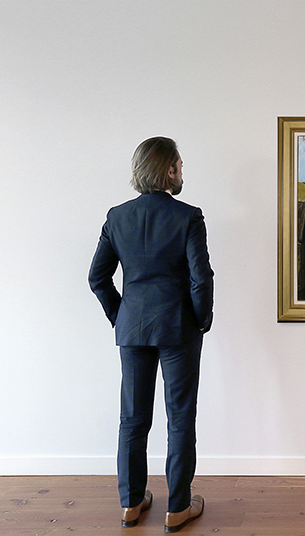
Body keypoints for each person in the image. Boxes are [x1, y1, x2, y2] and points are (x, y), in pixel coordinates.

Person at [89, 137, 214, 532]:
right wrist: (201, 320)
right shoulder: (188, 216)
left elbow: (97, 277)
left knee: (132, 417)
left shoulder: (117, 216)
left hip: (133, 328)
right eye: (180, 164)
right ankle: (177, 507)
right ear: (169, 169)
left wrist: (120, 316)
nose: (183, 171)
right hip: (178, 329)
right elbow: (201, 278)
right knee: (179, 418)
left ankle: (131, 503)